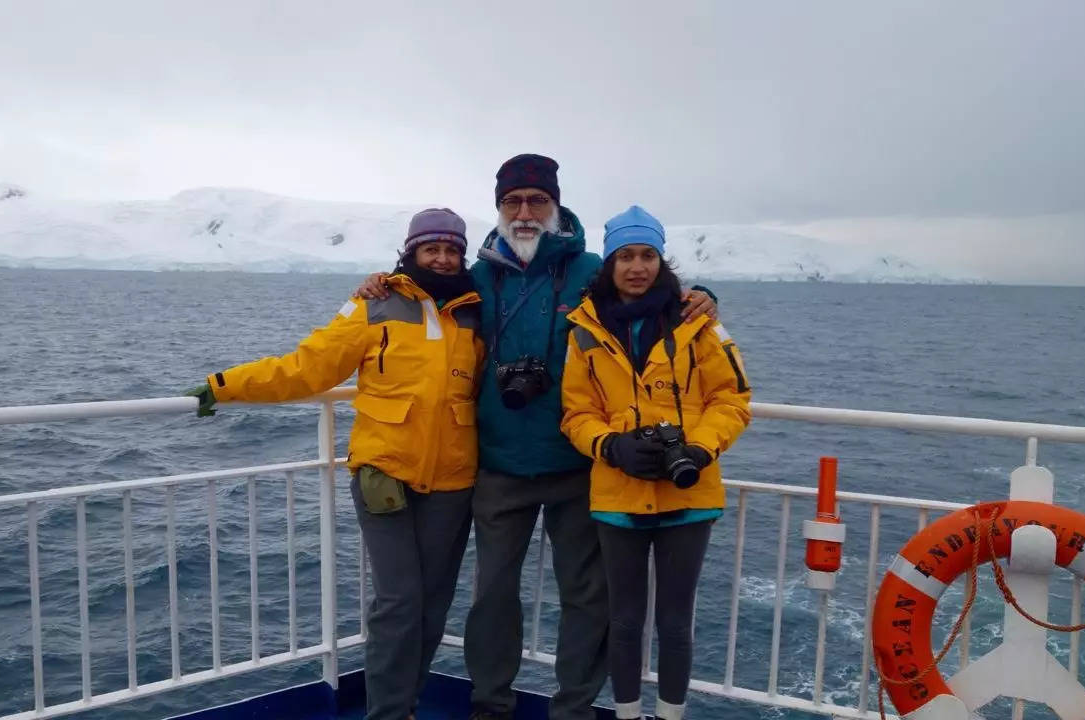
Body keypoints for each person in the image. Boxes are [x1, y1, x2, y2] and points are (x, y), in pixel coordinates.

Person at [355, 155, 717, 720]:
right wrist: (379, 283)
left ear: (555, 205)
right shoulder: (474, 279)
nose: (524, 213)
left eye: (536, 201)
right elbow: (420, 294)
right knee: (493, 598)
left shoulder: (591, 271)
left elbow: (650, 293)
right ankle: (490, 705)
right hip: (498, 464)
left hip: (579, 464)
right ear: (499, 209)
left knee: (586, 598)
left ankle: (573, 708)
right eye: (512, 202)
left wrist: (704, 296)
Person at [186, 208, 483, 720]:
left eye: (451, 249)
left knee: (434, 603)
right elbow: (310, 367)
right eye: (431, 248)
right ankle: (387, 712)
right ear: (411, 252)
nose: (441, 257)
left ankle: (408, 703)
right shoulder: (374, 303)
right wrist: (225, 385)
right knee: (398, 602)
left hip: (454, 478)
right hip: (384, 473)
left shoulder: (477, 311)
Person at [560, 205, 751, 720]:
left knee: (674, 621)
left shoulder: (700, 324)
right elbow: (577, 412)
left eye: (647, 255)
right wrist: (610, 446)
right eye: (626, 256)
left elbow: (731, 400)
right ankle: (626, 714)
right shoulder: (584, 330)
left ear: (661, 261)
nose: (637, 267)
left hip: (688, 492)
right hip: (618, 494)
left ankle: (669, 716)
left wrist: (700, 448)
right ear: (610, 263)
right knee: (622, 621)